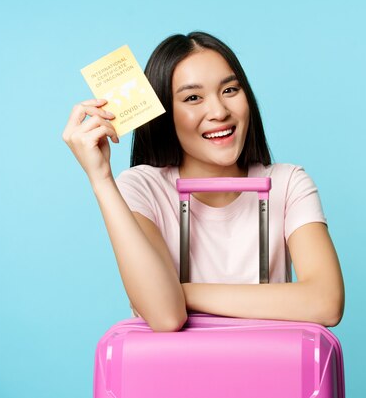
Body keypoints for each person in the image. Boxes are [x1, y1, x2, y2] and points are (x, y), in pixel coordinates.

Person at [62, 32, 344, 332]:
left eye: (230, 90)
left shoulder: (288, 184)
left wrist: (182, 292)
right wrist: (101, 178)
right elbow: (166, 316)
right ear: (166, 113)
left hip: (273, 372)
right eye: (193, 98)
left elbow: (326, 302)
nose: (220, 112)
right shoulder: (142, 188)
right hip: (176, 375)